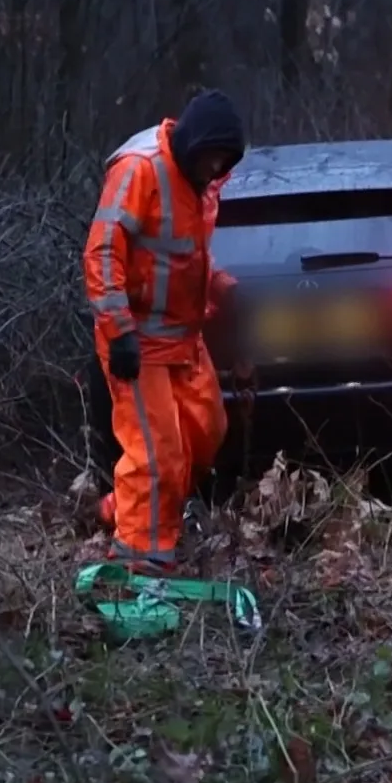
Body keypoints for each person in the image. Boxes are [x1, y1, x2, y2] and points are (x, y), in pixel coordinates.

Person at [83, 89, 249, 573]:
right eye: (212, 157)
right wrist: (119, 332)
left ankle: (124, 509)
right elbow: (102, 252)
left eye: (224, 161)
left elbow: (182, 257)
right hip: (137, 342)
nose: (216, 168)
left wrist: (224, 289)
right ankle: (139, 558)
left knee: (207, 432)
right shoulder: (140, 170)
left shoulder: (203, 185)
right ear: (194, 144)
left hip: (183, 340)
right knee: (157, 454)